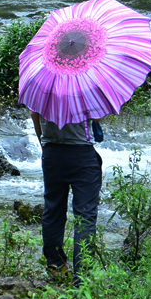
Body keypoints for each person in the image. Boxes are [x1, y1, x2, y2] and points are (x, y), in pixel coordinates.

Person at [31, 111, 102, 279]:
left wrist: (45, 146)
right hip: (82, 153)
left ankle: (55, 265)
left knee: (53, 209)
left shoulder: (44, 87)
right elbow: (97, 116)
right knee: (85, 216)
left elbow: (35, 115)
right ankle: (82, 277)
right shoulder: (84, 86)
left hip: (52, 152)